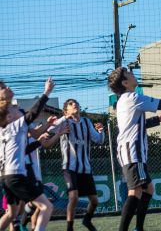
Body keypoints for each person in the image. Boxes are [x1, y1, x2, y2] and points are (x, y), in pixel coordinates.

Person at [108, 67, 161, 231]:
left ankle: (138, 228)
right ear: (125, 83)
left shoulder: (124, 100)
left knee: (147, 189)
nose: (133, 75)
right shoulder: (132, 97)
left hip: (130, 152)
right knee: (135, 192)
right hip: (133, 152)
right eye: (129, 74)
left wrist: (157, 120)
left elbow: (137, 124)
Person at [0, 78, 55, 231]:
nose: (8, 87)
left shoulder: (7, 127)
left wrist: (48, 125)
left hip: (5, 175)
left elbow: (35, 132)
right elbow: (33, 113)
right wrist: (47, 92)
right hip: (16, 174)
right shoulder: (17, 122)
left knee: (11, 213)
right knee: (46, 207)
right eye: (3, 87)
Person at [49, 99, 105, 231]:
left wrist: (101, 131)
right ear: (66, 110)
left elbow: (98, 140)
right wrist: (64, 118)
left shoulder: (86, 122)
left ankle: (87, 220)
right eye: (70, 104)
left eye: (76, 103)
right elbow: (51, 128)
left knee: (94, 201)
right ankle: (70, 227)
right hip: (69, 166)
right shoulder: (64, 122)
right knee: (73, 197)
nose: (74, 105)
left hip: (85, 168)